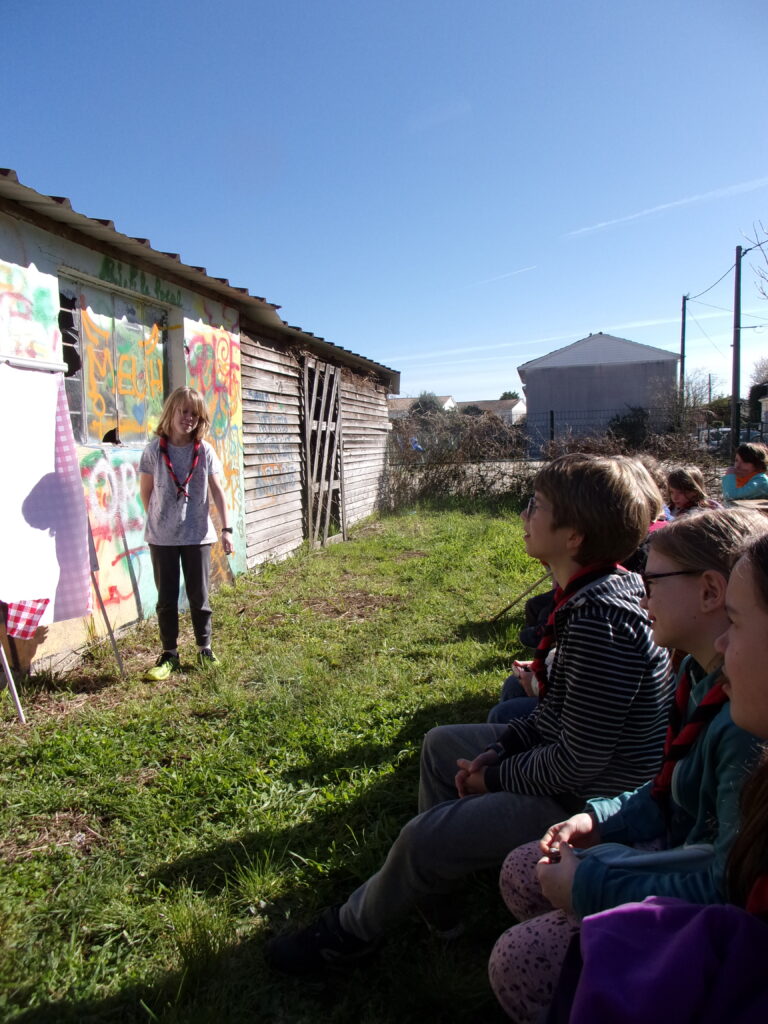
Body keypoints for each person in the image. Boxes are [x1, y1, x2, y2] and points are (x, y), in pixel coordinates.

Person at [266, 453, 672, 974]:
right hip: (572, 774)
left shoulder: (601, 623)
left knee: (422, 837)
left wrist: (495, 777)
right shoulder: (590, 597)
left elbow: (579, 763)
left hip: (586, 804)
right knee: (441, 745)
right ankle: (438, 892)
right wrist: (500, 748)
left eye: (537, 505)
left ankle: (348, 933)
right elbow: (554, 716)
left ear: (574, 537)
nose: (525, 514)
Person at [487, 508, 767, 1023]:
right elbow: (663, 790)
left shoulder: (742, 728)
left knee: (517, 959)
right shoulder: (696, 679)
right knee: (522, 871)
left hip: (694, 891)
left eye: (653, 581)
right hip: (674, 848)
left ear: (709, 592)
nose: (642, 596)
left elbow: (721, 884)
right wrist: (597, 818)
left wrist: (588, 889)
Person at [139, 386, 234, 680]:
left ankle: (205, 649)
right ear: (171, 412)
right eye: (183, 411)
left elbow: (218, 491)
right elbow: (146, 493)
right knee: (166, 599)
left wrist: (226, 529)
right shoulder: (154, 450)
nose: (188, 418)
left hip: (198, 536)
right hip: (162, 538)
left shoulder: (204, 450)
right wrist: (161, 521)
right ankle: (169, 655)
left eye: (194, 413)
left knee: (200, 597)